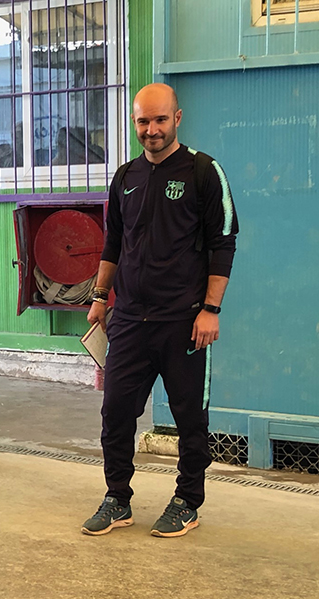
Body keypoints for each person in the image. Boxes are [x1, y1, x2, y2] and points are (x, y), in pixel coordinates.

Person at [81, 83, 239, 538]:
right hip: (130, 319)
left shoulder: (203, 171)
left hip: (184, 321)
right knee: (115, 413)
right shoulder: (125, 176)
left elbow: (223, 243)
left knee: (190, 419)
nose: (151, 130)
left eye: (160, 120)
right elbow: (113, 243)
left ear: (177, 118)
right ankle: (117, 499)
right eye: (143, 121)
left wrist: (210, 309)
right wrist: (99, 297)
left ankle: (187, 501)